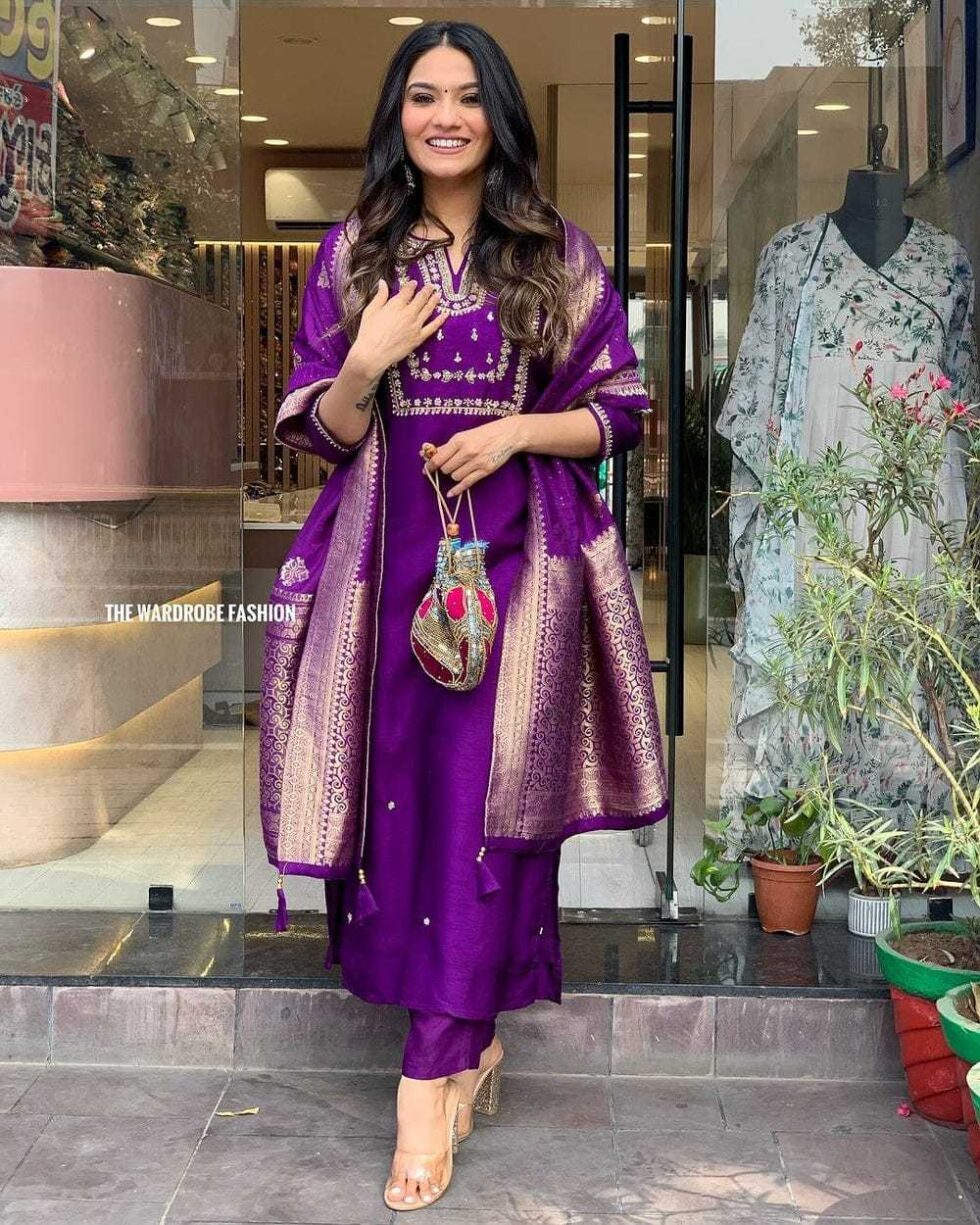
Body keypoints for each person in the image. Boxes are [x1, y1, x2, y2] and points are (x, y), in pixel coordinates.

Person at [258, 20, 668, 1211]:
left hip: (518, 570)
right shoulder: (354, 251)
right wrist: (364, 361)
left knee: (487, 813)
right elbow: (320, 431)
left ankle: (425, 1084)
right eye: (423, 95)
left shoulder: (552, 252)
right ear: (397, 115)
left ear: (498, 116)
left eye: (468, 96)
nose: (445, 116)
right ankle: (465, 1038)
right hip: (386, 570)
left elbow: (621, 408)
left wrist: (515, 431)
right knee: (398, 806)